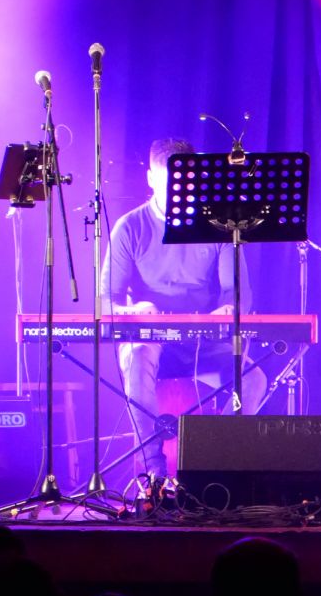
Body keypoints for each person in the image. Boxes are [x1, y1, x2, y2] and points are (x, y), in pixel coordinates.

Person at [103, 138, 268, 480]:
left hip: (204, 342)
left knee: (254, 379)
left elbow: (238, 292)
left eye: (185, 185)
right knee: (137, 358)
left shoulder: (219, 226)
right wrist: (134, 310)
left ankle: (215, 466)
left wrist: (227, 308)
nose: (179, 193)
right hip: (152, 340)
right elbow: (107, 299)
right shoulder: (130, 228)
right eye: (169, 184)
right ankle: (154, 473)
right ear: (151, 179)